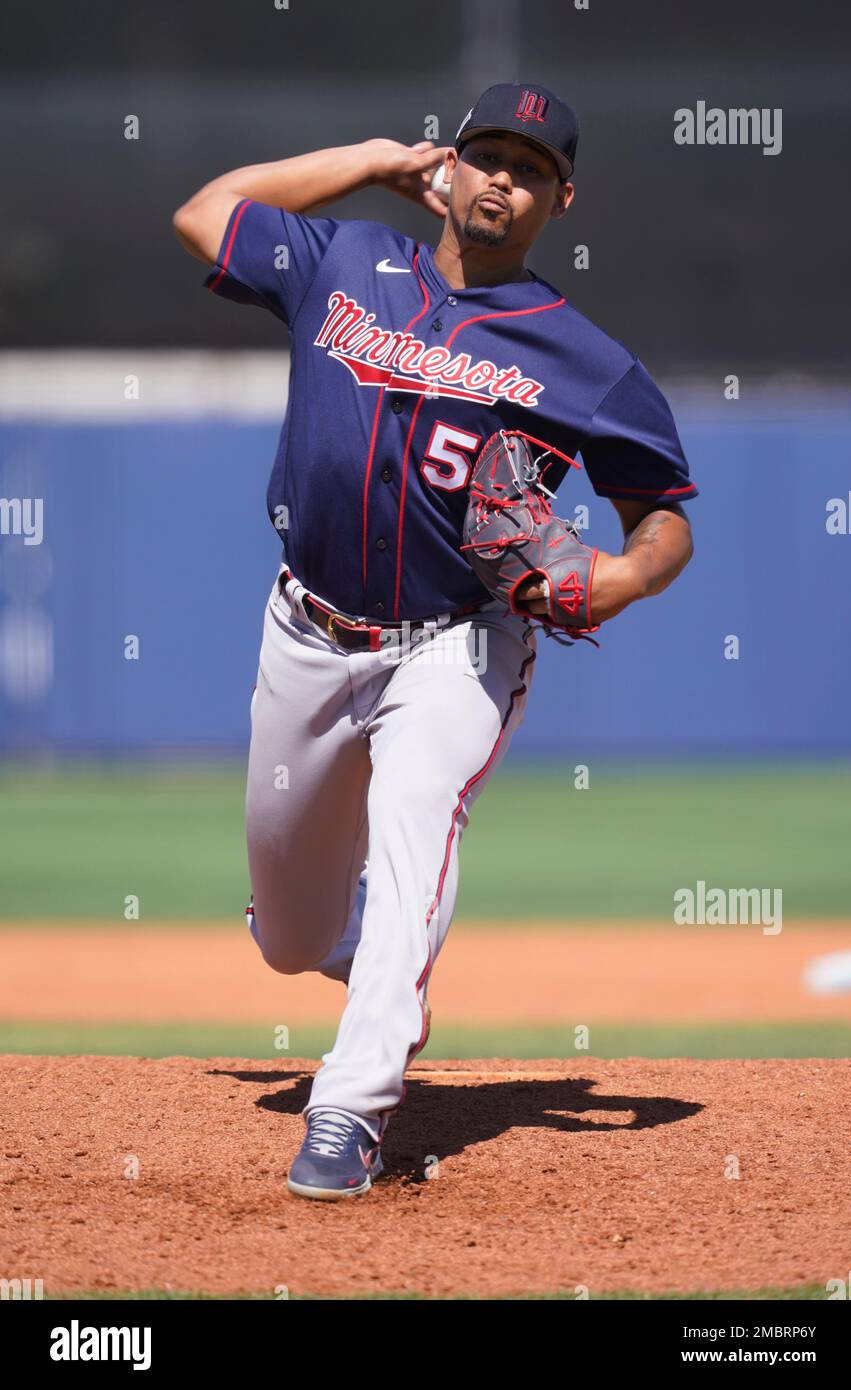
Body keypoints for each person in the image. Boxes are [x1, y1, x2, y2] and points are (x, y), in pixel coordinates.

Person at [172, 82, 696, 1200]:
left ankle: (348, 1112)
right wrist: (364, 156)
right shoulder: (340, 260)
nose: (501, 176)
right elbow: (204, 211)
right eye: (484, 153)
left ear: (561, 196)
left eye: (528, 164)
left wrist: (622, 575)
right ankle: (375, 959)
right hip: (305, 629)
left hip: (458, 641)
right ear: (445, 169)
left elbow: (662, 515)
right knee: (287, 934)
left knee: (416, 817)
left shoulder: (580, 357)